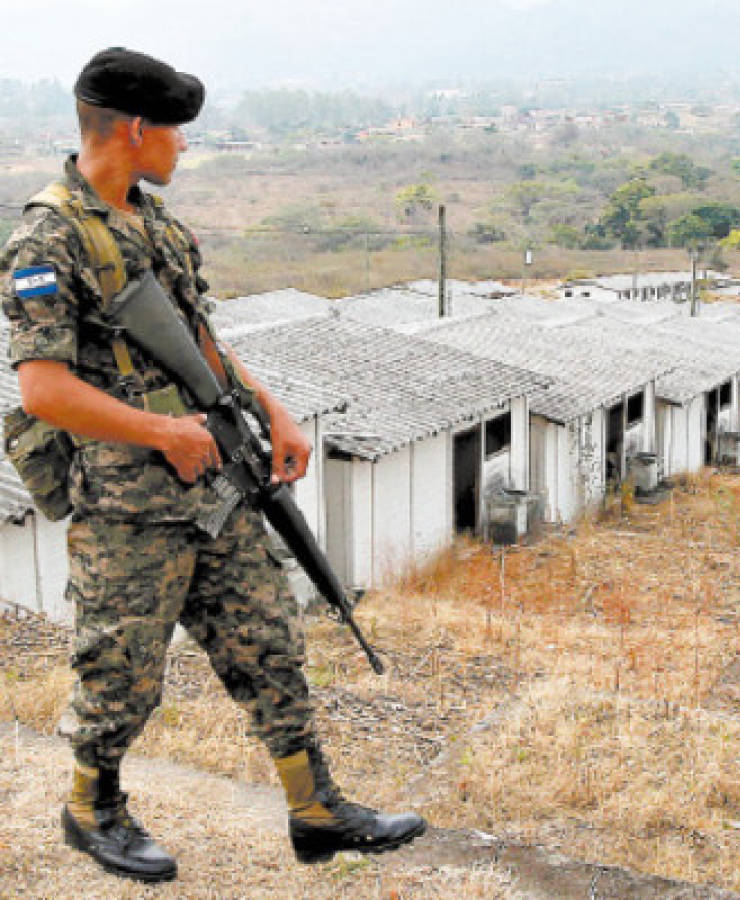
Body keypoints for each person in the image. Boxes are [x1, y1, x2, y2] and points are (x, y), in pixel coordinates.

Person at [0, 48, 425, 884]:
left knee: (267, 639)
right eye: (178, 133)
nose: (185, 148)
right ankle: (93, 810)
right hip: (129, 505)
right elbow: (43, 389)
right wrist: (161, 435)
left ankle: (315, 809)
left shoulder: (157, 225)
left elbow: (200, 345)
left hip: (215, 486)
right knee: (119, 670)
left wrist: (271, 409)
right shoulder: (45, 237)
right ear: (135, 129)